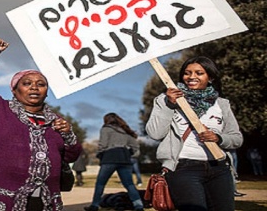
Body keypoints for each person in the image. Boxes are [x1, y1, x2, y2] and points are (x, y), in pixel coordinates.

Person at [0, 38, 82, 211]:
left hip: (44, 201)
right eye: (27, 83)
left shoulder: (55, 121)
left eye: (41, 84)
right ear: (14, 90)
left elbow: (71, 156)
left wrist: (68, 134)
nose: (34, 88)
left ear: (46, 92)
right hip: (0, 199)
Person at [146, 56, 243, 211]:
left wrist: (218, 138)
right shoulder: (166, 99)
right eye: (187, 73)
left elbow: (237, 139)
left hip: (219, 169)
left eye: (199, 73)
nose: (191, 77)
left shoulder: (222, 104)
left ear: (210, 77)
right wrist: (169, 105)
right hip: (184, 168)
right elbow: (155, 133)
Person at [84, 113, 143, 211]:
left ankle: (94, 206)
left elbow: (102, 145)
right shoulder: (125, 131)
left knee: (100, 183)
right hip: (124, 159)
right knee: (129, 184)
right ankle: (138, 206)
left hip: (109, 157)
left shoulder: (106, 129)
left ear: (106, 120)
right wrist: (130, 155)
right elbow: (136, 147)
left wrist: (100, 155)